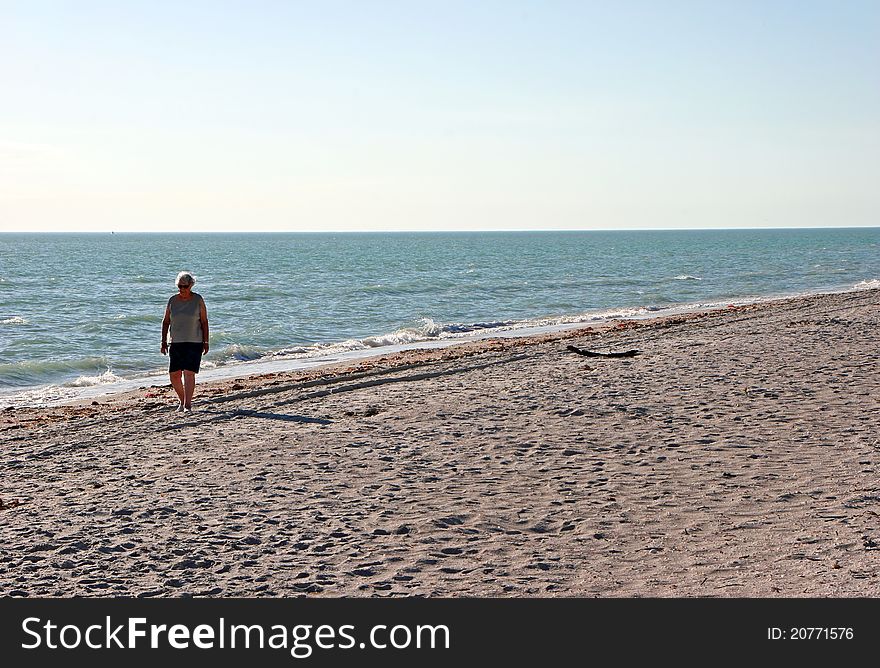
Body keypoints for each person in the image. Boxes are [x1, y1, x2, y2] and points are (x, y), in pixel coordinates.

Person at [161, 271, 209, 412]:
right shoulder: (172, 300)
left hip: (194, 341)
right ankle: (182, 401)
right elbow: (165, 322)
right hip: (176, 342)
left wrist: (206, 342)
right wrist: (163, 341)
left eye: (185, 286)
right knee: (174, 374)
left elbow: (204, 322)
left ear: (191, 285)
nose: (182, 289)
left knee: (189, 372)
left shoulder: (198, 300)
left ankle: (188, 405)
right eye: (179, 286)